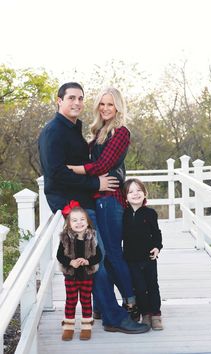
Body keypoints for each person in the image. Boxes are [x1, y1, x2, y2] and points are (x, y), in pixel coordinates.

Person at [38, 82, 149, 334]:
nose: (76, 103)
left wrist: (95, 181)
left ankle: (105, 307)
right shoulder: (53, 131)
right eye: (71, 98)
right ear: (59, 101)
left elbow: (98, 162)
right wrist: (94, 181)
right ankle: (114, 316)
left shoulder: (76, 130)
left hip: (87, 200)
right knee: (95, 255)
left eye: (80, 98)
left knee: (99, 255)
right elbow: (54, 174)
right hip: (72, 205)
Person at [67, 87, 139, 320]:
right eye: (102, 104)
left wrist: (70, 170)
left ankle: (130, 300)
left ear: (118, 107)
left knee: (114, 254)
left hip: (110, 201)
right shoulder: (97, 132)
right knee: (101, 254)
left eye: (110, 104)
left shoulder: (121, 133)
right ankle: (101, 304)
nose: (106, 108)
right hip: (96, 201)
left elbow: (102, 165)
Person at [57, 201, 102, 341]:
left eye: (82, 219)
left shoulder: (92, 237)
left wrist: (88, 261)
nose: (79, 223)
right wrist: (71, 262)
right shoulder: (65, 238)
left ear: (87, 222)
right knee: (71, 301)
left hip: (86, 276)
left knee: (86, 300)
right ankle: (68, 327)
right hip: (71, 276)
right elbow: (60, 255)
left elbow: (98, 256)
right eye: (74, 220)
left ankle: (86, 327)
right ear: (69, 223)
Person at [123, 178, 164, 330]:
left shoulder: (150, 213)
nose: (135, 194)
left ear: (145, 193)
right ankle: (145, 313)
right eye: (131, 191)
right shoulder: (124, 214)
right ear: (125, 197)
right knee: (139, 287)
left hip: (149, 257)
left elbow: (156, 233)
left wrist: (157, 247)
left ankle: (156, 314)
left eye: (139, 190)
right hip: (131, 259)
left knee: (152, 285)